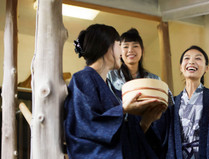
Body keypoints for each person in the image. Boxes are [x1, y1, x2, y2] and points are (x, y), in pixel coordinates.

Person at [64, 24, 165, 159]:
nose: (122, 53)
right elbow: (86, 126)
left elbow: (121, 137)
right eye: (119, 45)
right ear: (107, 46)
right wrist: (123, 109)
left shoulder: (110, 87)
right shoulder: (82, 78)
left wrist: (146, 121)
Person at [107, 28, 174, 105]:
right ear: (119, 51)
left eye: (135, 46)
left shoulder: (154, 79)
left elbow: (168, 103)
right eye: (125, 47)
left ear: (142, 50)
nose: (130, 50)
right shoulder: (110, 76)